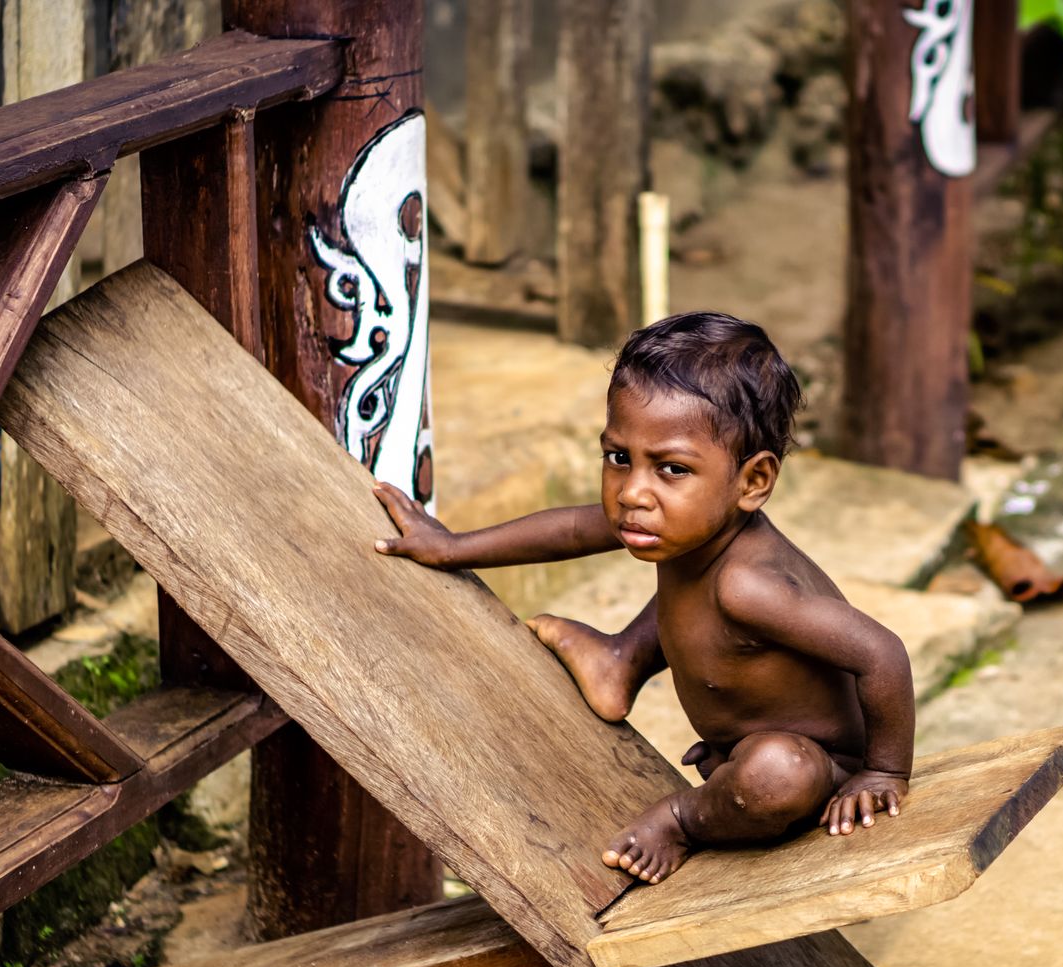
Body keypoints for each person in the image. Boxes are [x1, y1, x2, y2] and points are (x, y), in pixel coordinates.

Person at [373, 311, 913, 883]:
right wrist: (450, 546)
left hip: (818, 769)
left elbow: (882, 652)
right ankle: (621, 660)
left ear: (752, 482)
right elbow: (573, 530)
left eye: (672, 468)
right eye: (618, 457)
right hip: (744, 741)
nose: (633, 492)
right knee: (688, 576)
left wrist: (880, 772)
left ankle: (682, 819)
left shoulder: (750, 584)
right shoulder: (686, 519)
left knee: (777, 772)